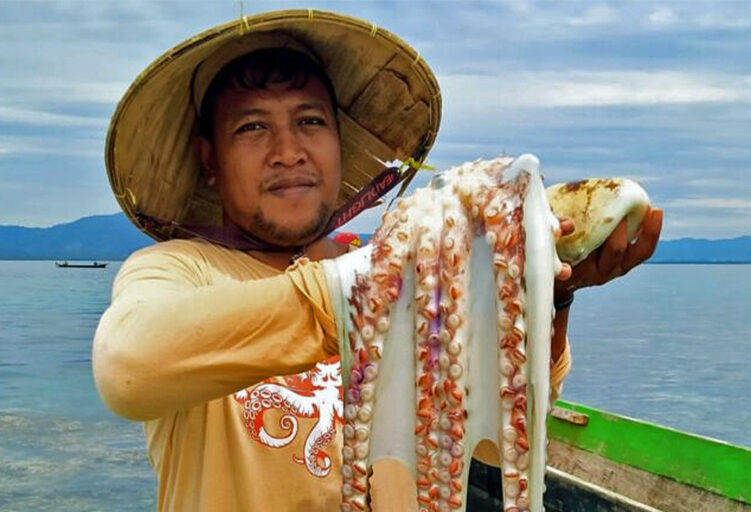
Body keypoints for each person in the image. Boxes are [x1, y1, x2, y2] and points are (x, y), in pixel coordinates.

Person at [93, 9, 662, 511]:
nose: (288, 151)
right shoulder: (180, 271)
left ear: (340, 143)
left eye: (310, 121)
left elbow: (492, 440)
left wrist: (548, 292)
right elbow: (127, 367)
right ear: (209, 160)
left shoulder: (411, 280)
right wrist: (363, 288)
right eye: (252, 127)